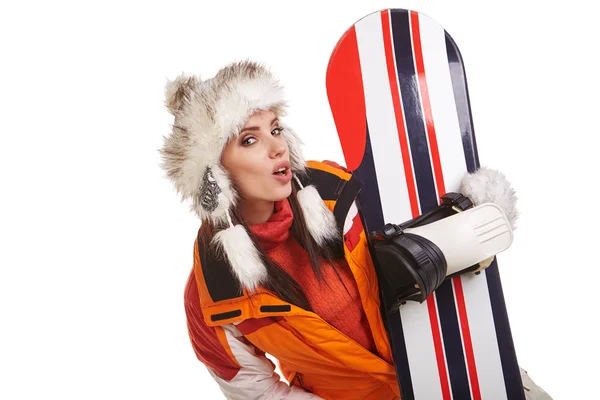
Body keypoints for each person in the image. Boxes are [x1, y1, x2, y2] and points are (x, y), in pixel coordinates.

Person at [159, 60, 551, 399]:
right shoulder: (214, 295)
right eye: (249, 139)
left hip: (465, 367)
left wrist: (480, 212)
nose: (276, 148)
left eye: (275, 129)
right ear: (214, 174)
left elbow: (439, 236)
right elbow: (258, 392)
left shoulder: (340, 192)